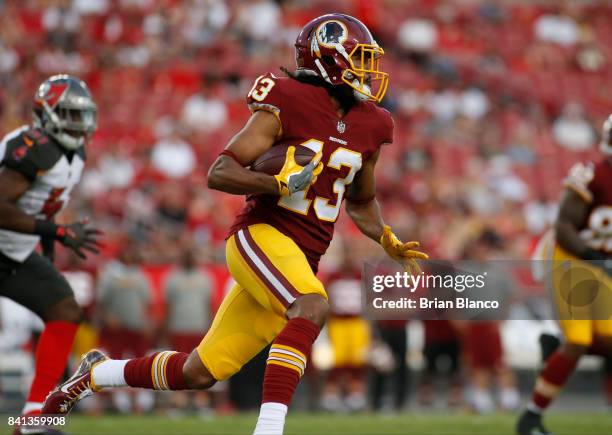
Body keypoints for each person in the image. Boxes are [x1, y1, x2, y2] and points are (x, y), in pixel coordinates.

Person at [43, 14, 427, 435]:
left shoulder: (372, 123)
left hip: (300, 257)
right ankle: (269, 429)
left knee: (200, 372)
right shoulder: (289, 98)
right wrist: (274, 183)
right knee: (312, 305)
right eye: (358, 58)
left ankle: (93, 376)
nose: (367, 70)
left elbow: (361, 200)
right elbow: (220, 171)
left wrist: (385, 237)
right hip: (261, 235)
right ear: (327, 59)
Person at [0, 74, 100, 435]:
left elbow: (42, 207)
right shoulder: (32, 145)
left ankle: (34, 417)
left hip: (15, 253)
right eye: (71, 115)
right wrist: (58, 232)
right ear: (47, 113)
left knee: (64, 310)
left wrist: (47, 243)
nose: (81, 124)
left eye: (83, 115)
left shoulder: (75, 152)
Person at [517, 115, 612, 435]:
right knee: (579, 340)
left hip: (601, 263)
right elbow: (564, 226)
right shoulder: (592, 175)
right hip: (571, 259)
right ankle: (530, 419)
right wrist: (593, 258)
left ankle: (553, 349)